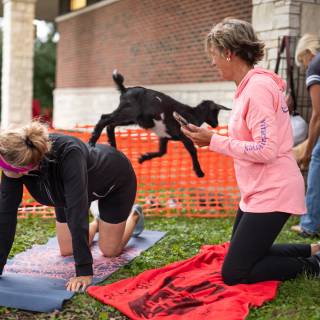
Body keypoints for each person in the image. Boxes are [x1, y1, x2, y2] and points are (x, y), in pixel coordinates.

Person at [181, 18, 320, 284]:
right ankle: (311, 249)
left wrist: (213, 141)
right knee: (247, 251)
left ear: (228, 53)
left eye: (214, 55)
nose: (213, 62)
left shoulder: (256, 89)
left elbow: (265, 150)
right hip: (258, 190)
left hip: (273, 190)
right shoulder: (249, 87)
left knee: (235, 272)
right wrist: (212, 139)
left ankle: (313, 265)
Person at [0, 122, 144, 292]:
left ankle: (133, 215)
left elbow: (77, 212)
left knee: (109, 250)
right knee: (67, 250)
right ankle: (99, 223)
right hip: (66, 193)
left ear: (26, 167)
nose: (3, 169)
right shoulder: (15, 160)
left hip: (114, 182)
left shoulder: (69, 152)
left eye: (5, 166)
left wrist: (84, 270)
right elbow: (5, 215)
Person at [290, 34, 320, 238]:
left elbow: (318, 113)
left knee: (317, 164)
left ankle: (309, 225)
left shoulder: (315, 65)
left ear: (307, 53)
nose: (304, 65)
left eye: (302, 61)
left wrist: (307, 152)